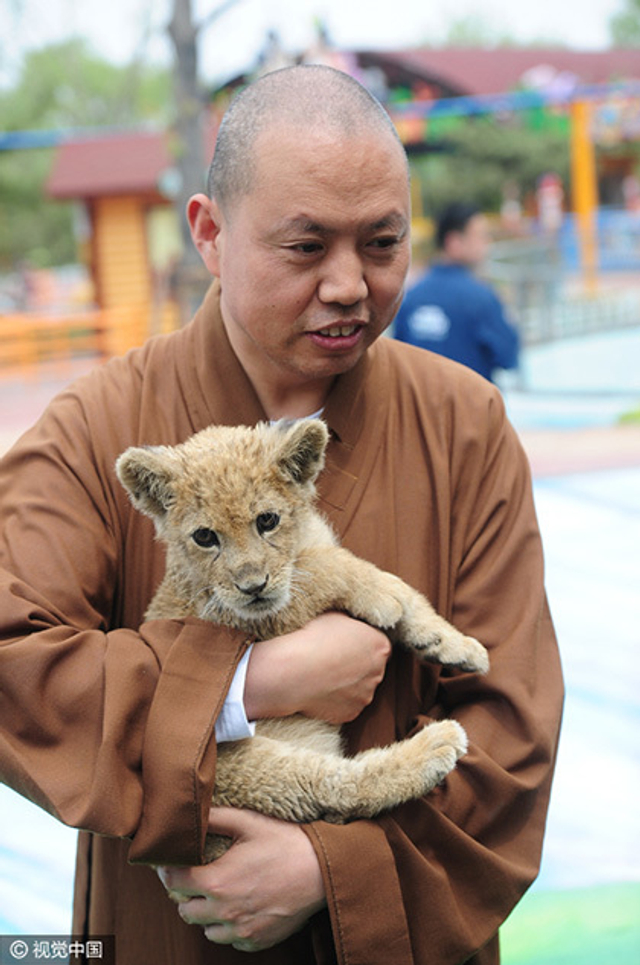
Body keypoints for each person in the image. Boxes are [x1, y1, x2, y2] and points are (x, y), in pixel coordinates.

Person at [0, 66, 563, 965]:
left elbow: (512, 725)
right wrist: (244, 687)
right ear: (210, 234)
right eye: (306, 248)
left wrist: (330, 869)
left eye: (382, 244)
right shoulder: (100, 428)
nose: (350, 284)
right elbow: (13, 661)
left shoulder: (463, 424)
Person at [394, 202, 520, 383]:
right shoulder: (481, 297)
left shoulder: (411, 297)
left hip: (421, 408)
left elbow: (399, 358)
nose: (486, 244)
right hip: (473, 407)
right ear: (454, 242)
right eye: (481, 236)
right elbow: (508, 356)